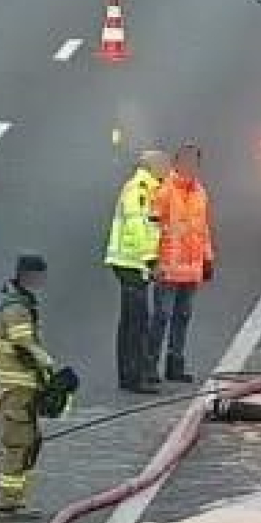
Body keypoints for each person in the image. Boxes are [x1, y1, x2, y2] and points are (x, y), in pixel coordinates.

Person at [0, 253, 56, 519]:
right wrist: (48, 366)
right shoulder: (16, 307)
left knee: (31, 441)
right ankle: (7, 503)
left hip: (17, 384)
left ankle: (12, 496)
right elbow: (24, 344)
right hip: (15, 386)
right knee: (20, 443)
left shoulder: (16, 299)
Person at [150, 142, 214, 384]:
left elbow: (203, 230)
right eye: (186, 161)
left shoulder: (200, 192)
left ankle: (174, 363)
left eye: (194, 162)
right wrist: (153, 261)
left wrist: (208, 258)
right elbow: (152, 228)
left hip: (191, 268)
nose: (190, 166)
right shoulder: (165, 191)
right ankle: (150, 365)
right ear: (177, 163)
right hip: (168, 267)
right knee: (161, 316)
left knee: (183, 316)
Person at [106, 149, 168, 393]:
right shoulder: (141, 189)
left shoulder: (147, 187)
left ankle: (131, 374)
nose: (166, 168)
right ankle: (134, 377)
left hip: (131, 262)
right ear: (152, 166)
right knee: (136, 323)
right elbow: (137, 229)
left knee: (132, 322)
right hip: (131, 263)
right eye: (163, 164)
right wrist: (151, 261)